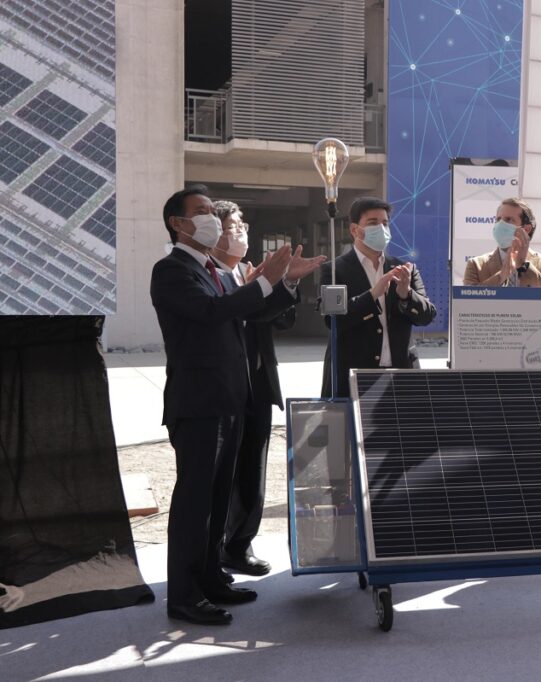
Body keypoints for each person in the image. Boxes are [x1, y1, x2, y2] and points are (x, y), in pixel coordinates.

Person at [150, 185, 315, 625]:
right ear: (178, 223)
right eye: (201, 211)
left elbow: (252, 314)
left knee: (219, 500)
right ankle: (184, 596)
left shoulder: (216, 270)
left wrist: (285, 281)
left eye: (212, 210)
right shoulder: (171, 270)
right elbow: (211, 312)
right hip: (198, 404)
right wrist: (263, 280)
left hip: (230, 401)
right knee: (195, 504)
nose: (211, 218)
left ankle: (212, 578)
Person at [209, 200, 324, 577]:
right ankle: (211, 550)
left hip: (257, 384)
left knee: (251, 470)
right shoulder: (208, 275)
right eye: (232, 226)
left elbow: (281, 320)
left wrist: (287, 282)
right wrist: (258, 287)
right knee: (219, 474)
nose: (241, 231)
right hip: (221, 389)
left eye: (242, 225)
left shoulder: (250, 271)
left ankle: (239, 546)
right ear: (214, 232)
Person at [319, 197, 437, 398]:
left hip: (400, 374)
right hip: (352, 375)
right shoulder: (334, 270)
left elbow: (427, 316)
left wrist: (406, 295)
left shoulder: (404, 269)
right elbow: (334, 320)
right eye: (373, 223)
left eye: (385, 223)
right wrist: (373, 294)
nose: (381, 229)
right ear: (355, 230)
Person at [463, 198, 541, 287]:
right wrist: (502, 275)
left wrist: (523, 265)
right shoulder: (475, 265)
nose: (500, 224)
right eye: (498, 219)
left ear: (526, 229)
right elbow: (468, 298)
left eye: (509, 220)